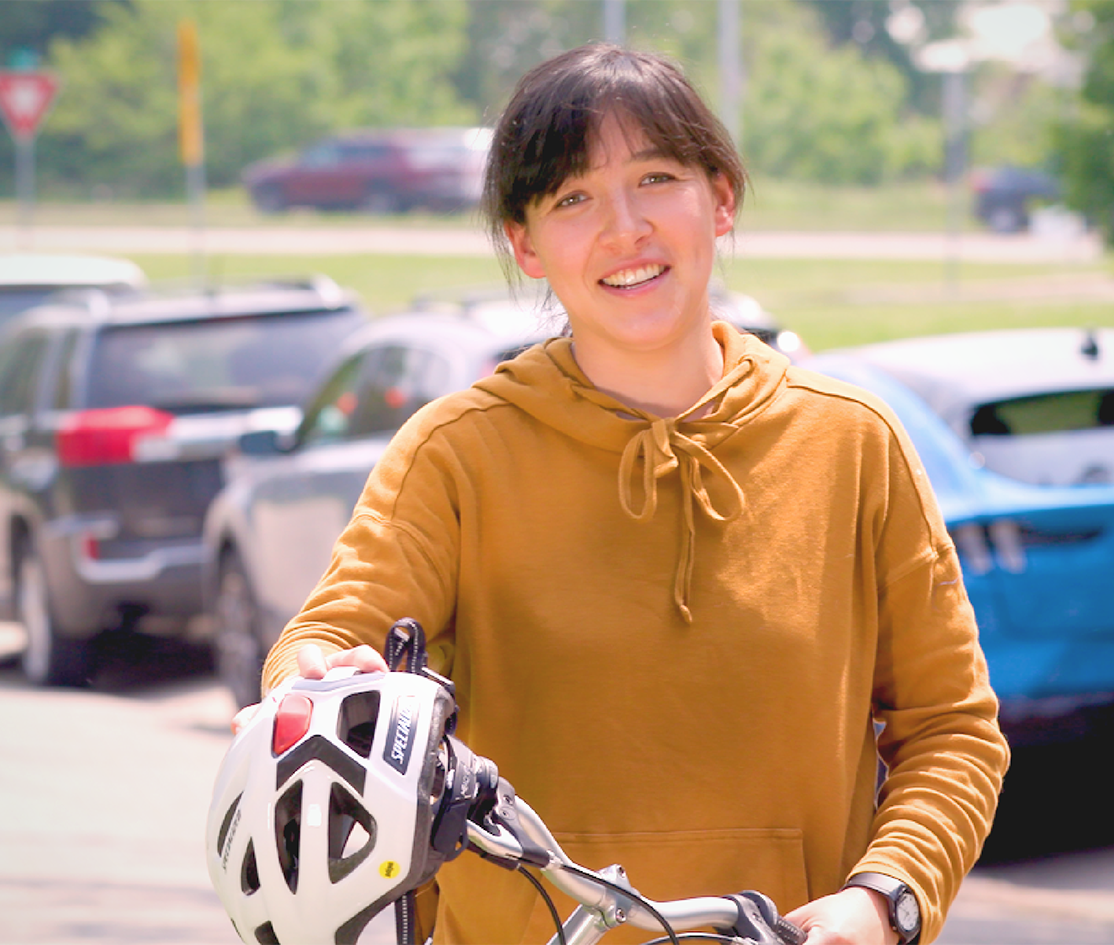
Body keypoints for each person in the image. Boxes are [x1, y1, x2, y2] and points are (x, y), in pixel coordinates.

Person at [259, 43, 1008, 945]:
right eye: (573, 198)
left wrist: (887, 896)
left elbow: (953, 728)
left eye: (655, 179)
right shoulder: (457, 451)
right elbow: (327, 639)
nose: (624, 229)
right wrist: (323, 679)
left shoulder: (852, 440)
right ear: (526, 244)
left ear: (720, 198)